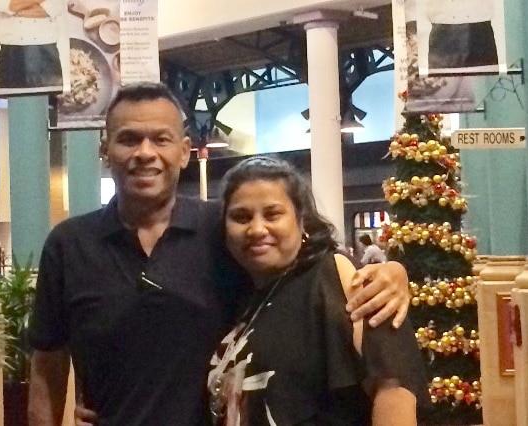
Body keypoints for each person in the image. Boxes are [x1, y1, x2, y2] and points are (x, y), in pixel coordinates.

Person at [28, 82, 412, 426]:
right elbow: (47, 366)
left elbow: (306, 262)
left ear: (183, 152)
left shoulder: (221, 229)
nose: (145, 152)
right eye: (129, 139)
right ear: (106, 150)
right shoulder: (69, 245)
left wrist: (392, 271)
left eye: (160, 139)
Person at [208, 156, 426, 424]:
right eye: (241, 217)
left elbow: (394, 387)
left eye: (272, 214)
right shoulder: (241, 295)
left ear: (302, 221)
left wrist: (395, 269)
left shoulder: (339, 277)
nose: (256, 228)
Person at [0, 0, 64, 89]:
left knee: (48, 99)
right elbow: (3, 5)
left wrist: (16, 11)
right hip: (11, 51)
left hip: (46, 51)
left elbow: (56, 7)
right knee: (12, 98)